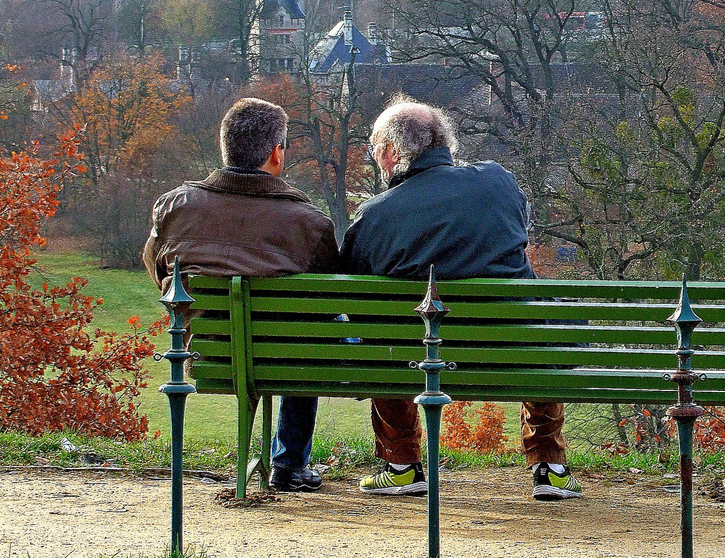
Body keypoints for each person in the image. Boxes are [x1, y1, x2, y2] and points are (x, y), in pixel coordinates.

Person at [342, 97, 582, 501]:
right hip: (511, 349)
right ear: (443, 143)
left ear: (390, 153)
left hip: (422, 357)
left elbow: (356, 299)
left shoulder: (375, 216)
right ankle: (550, 467)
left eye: (375, 149)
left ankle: (401, 465)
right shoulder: (496, 181)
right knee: (545, 326)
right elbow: (518, 228)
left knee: (380, 334)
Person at [143, 97, 339, 493]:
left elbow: (159, 272)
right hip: (283, 358)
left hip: (208, 352)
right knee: (316, 330)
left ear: (225, 146)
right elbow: (329, 300)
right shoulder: (309, 223)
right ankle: (289, 462)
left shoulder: (174, 207)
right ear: (276, 153)